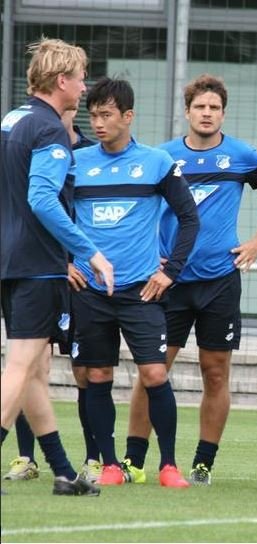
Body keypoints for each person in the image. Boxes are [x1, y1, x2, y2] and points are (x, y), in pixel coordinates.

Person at [120, 73, 257, 486]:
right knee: (152, 370)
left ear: (222, 113)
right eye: (200, 107)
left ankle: (202, 463)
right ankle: (134, 461)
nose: (207, 113)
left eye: (214, 108)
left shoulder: (243, 156)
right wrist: (148, 252)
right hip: (168, 282)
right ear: (188, 112)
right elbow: (138, 207)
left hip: (220, 281)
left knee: (216, 372)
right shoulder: (162, 158)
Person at [70, 76, 199, 488]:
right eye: (92, 116)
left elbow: (189, 218)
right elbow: (49, 215)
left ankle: (169, 465)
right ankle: (109, 464)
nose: (98, 123)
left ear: (128, 116)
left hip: (141, 291)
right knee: (96, 378)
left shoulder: (157, 162)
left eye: (106, 115)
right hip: (90, 291)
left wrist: (170, 271)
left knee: (155, 376)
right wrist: (65, 262)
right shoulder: (77, 163)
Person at [1, 37, 113, 496]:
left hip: (10, 261)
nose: (85, 88)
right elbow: (43, 199)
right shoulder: (50, 130)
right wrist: (90, 252)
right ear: (62, 80)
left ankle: (64, 473)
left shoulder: (12, 119)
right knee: (22, 365)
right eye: (82, 78)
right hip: (38, 266)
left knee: (29, 372)